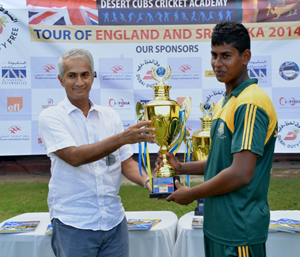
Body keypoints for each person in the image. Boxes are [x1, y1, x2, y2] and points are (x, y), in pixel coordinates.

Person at [155, 21, 278, 257]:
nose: (217, 64)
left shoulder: (250, 103)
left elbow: (241, 173)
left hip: (239, 229)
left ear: (245, 57)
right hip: (218, 226)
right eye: (214, 55)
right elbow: (222, 162)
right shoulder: (226, 101)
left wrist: (192, 193)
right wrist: (182, 167)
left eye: (226, 56)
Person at [38, 48, 155, 257]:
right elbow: (74, 157)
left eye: (85, 74)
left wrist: (151, 183)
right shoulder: (51, 116)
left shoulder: (109, 115)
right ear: (60, 80)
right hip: (73, 223)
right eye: (71, 75)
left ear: (93, 76)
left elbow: (126, 163)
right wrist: (122, 138)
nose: (79, 82)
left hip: (114, 222)